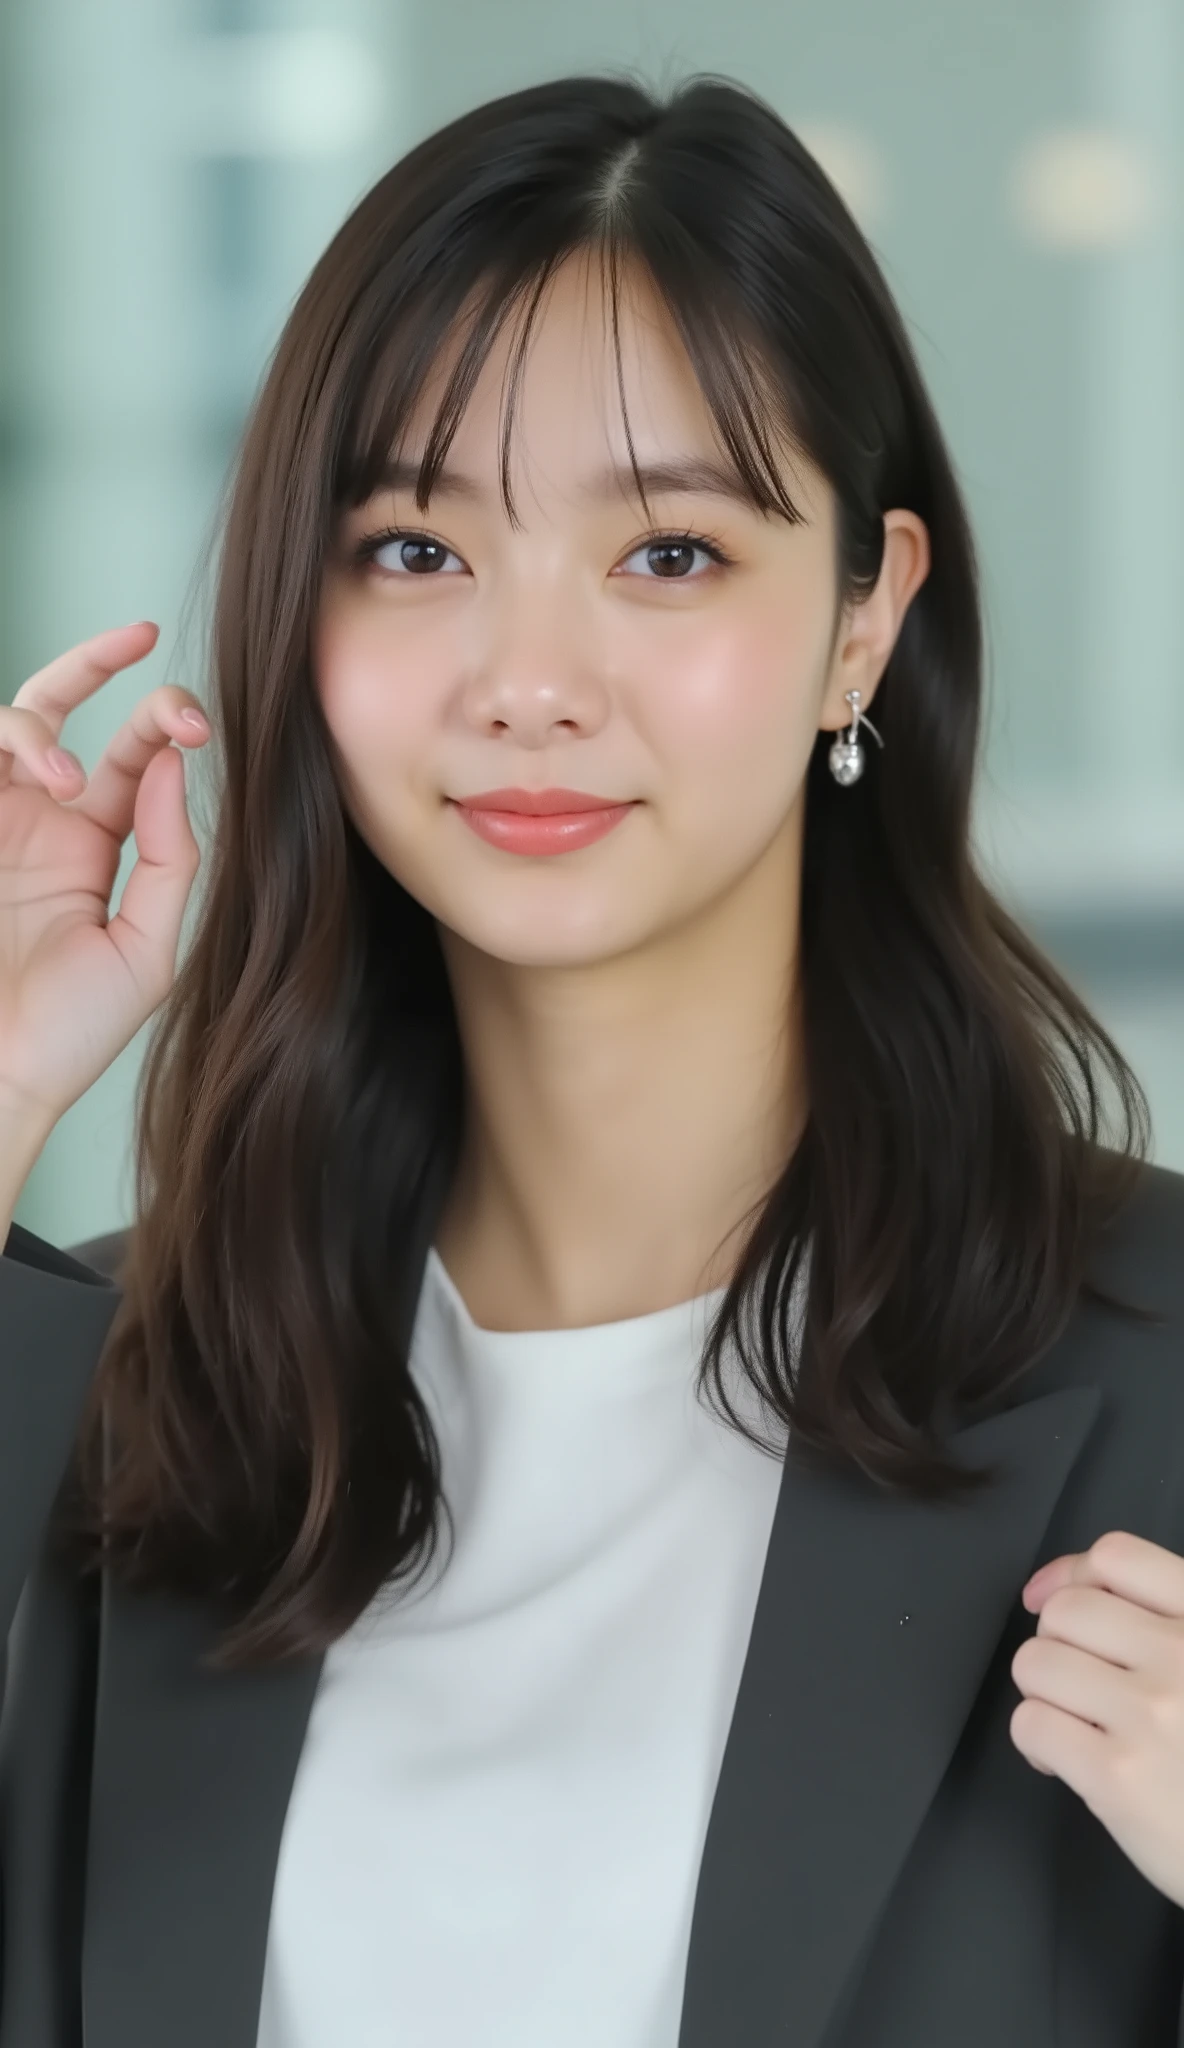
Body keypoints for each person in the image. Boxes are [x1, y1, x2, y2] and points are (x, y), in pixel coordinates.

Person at [0, 69, 1182, 2048]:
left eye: (668, 556)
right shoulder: (124, 1406)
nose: (527, 681)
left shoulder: (1150, 1376)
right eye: (411, 549)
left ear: (864, 619)